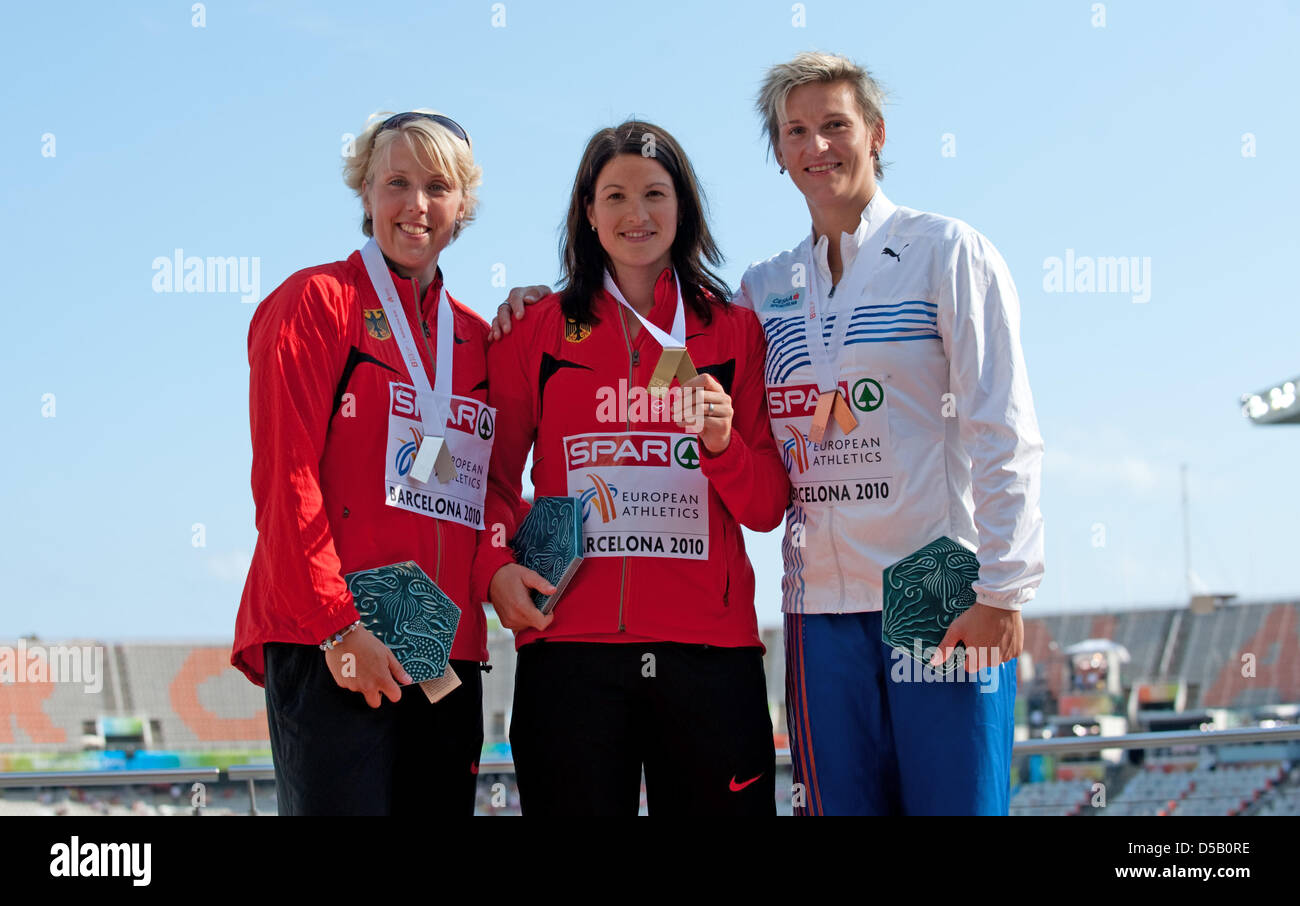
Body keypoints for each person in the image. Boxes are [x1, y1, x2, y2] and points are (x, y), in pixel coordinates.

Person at [740, 51, 1044, 815]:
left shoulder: (948, 252)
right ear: (779, 153)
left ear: (875, 133)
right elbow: (661, 321)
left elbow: (1002, 425)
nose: (818, 148)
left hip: (937, 587)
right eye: (797, 132)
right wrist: (555, 293)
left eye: (835, 126)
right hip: (818, 608)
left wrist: (1005, 587)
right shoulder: (763, 287)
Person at [472, 121, 790, 816]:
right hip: (571, 656)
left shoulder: (735, 331)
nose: (636, 214)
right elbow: (490, 480)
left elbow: (767, 506)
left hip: (710, 657)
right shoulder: (537, 330)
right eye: (614, 195)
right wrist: (494, 569)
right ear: (588, 212)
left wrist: (721, 446)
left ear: (684, 208)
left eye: (655, 193)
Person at [232, 109, 525, 816]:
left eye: (438, 186)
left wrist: (542, 314)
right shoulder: (314, 304)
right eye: (396, 182)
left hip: (443, 649)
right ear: (365, 192)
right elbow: (285, 482)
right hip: (331, 635)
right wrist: (338, 626)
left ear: (464, 205)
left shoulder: (479, 338)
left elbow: (485, 491)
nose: (416, 205)